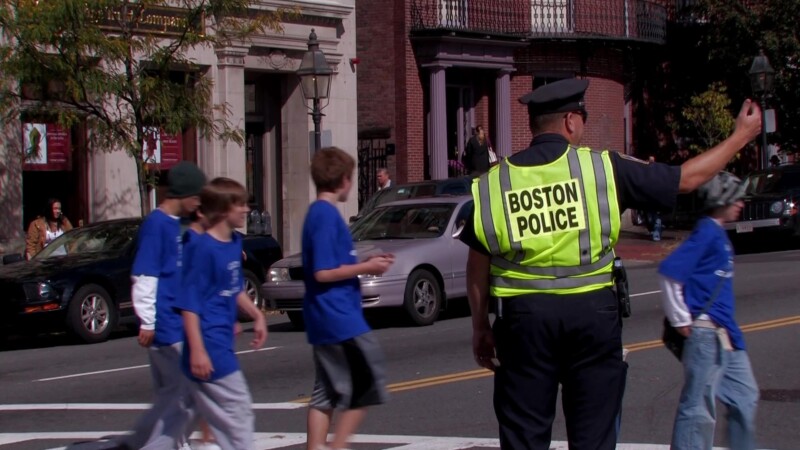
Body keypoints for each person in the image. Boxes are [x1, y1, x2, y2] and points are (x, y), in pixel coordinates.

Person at [459, 78, 761, 449]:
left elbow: (478, 264)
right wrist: (740, 137)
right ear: (570, 121)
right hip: (592, 318)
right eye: (582, 117)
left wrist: (480, 327)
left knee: (523, 436)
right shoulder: (603, 169)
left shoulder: (493, 183)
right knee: (594, 436)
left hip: (523, 322)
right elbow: (687, 179)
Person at [302, 147, 394, 450]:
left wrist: (365, 260)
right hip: (339, 318)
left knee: (325, 392)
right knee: (367, 384)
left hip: (322, 317)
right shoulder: (326, 216)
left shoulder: (316, 214)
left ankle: (316, 447)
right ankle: (338, 446)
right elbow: (323, 272)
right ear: (344, 179)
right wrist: (367, 267)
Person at [659, 171, 759, 450]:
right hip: (706, 334)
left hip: (724, 334)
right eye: (736, 198)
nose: (741, 203)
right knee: (698, 406)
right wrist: (680, 319)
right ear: (721, 198)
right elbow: (670, 272)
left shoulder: (716, 233)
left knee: (744, 394)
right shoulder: (707, 232)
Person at [172, 177, 268, 450]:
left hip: (222, 340)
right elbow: (189, 304)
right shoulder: (200, 249)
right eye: (240, 204)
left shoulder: (234, 243)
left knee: (188, 418)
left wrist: (257, 315)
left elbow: (233, 286)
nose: (246, 210)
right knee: (239, 413)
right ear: (224, 209)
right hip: (210, 344)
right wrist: (198, 350)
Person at [120, 161, 206, 450]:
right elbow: (145, 274)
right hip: (168, 326)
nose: (199, 203)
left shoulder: (178, 225)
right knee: (188, 396)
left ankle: (140, 440)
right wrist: (147, 320)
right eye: (196, 197)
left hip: (177, 323)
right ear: (182, 194)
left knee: (172, 396)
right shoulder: (157, 225)